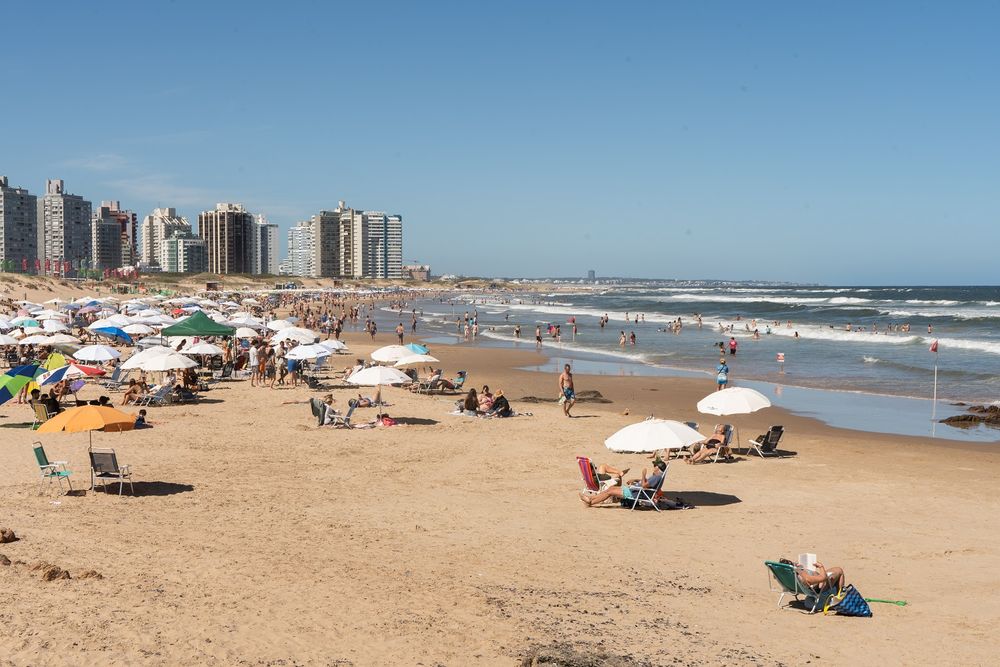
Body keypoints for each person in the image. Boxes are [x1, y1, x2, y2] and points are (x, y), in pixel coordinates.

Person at [579, 461, 666, 507]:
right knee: (610, 490)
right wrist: (635, 479)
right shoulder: (658, 476)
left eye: (655, 466)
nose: (653, 467)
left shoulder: (656, 477)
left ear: (657, 468)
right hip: (634, 490)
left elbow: (644, 485)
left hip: (635, 493)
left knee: (610, 491)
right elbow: (647, 484)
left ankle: (590, 500)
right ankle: (590, 500)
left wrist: (643, 474)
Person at [780, 558, 847, 594]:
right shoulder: (804, 578)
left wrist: (800, 569)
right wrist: (821, 566)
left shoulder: (784, 576)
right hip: (819, 588)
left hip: (805, 586)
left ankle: (837, 591)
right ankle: (839, 597)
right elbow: (823, 578)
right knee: (839, 570)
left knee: (833, 571)